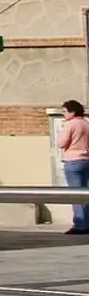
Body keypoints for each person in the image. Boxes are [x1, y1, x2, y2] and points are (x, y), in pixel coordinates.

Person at [60, 100, 89, 235]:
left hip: (73, 161)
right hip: (86, 160)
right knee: (86, 194)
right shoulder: (86, 123)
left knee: (76, 195)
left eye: (65, 111)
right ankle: (87, 222)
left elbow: (61, 143)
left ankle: (80, 225)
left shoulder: (70, 124)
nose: (64, 114)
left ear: (72, 112)